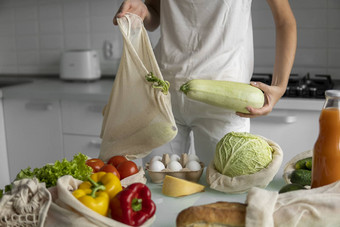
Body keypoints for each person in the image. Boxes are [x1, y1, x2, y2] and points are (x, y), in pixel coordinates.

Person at [113, 0, 297, 165]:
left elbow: (284, 20)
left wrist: (280, 86)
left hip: (224, 98)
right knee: (159, 185)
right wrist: (142, 10)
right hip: (164, 90)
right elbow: (155, 12)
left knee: (222, 189)